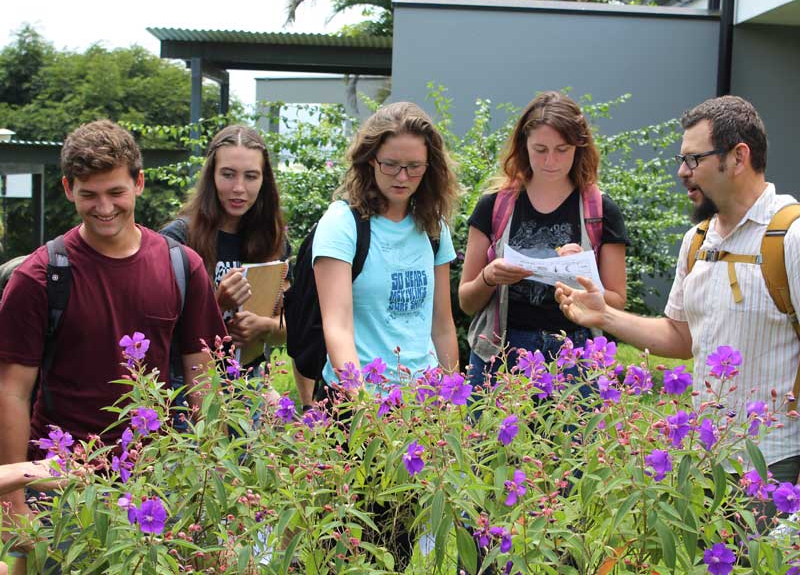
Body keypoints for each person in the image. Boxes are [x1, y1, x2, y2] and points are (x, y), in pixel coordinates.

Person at [555, 95, 800, 517]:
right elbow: (681, 335)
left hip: (777, 467)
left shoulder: (799, 236)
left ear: (738, 157)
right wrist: (604, 314)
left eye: (693, 159)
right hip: (708, 463)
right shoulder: (698, 241)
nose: (682, 172)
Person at [0, 120, 227, 574]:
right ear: (68, 188)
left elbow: (205, 378)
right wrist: (13, 505)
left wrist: (211, 485)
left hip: (155, 483)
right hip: (59, 487)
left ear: (139, 183)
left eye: (116, 192)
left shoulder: (181, 266)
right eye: (89, 194)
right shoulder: (41, 276)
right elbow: (12, 391)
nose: (104, 207)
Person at [458, 91, 629, 389]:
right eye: (540, 149)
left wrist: (582, 276)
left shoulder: (600, 210)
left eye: (562, 149)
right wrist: (488, 277)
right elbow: (466, 302)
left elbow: (616, 302)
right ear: (524, 146)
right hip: (500, 352)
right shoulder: (494, 206)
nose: (551, 161)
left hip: (575, 355)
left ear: (579, 147)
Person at [314, 101, 459, 388]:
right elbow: (337, 327)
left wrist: (452, 397)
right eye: (390, 165)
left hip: (422, 400)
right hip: (359, 400)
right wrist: (360, 405)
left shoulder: (434, 227)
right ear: (370, 160)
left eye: (414, 167)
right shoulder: (342, 224)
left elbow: (441, 325)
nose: (402, 177)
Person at [160, 126, 302, 402]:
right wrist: (217, 304)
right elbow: (160, 334)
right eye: (228, 174)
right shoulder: (177, 240)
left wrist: (263, 325)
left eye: (251, 176)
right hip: (187, 390)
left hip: (248, 386)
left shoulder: (275, 242)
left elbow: (288, 327)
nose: (239, 188)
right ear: (211, 176)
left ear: (264, 181)